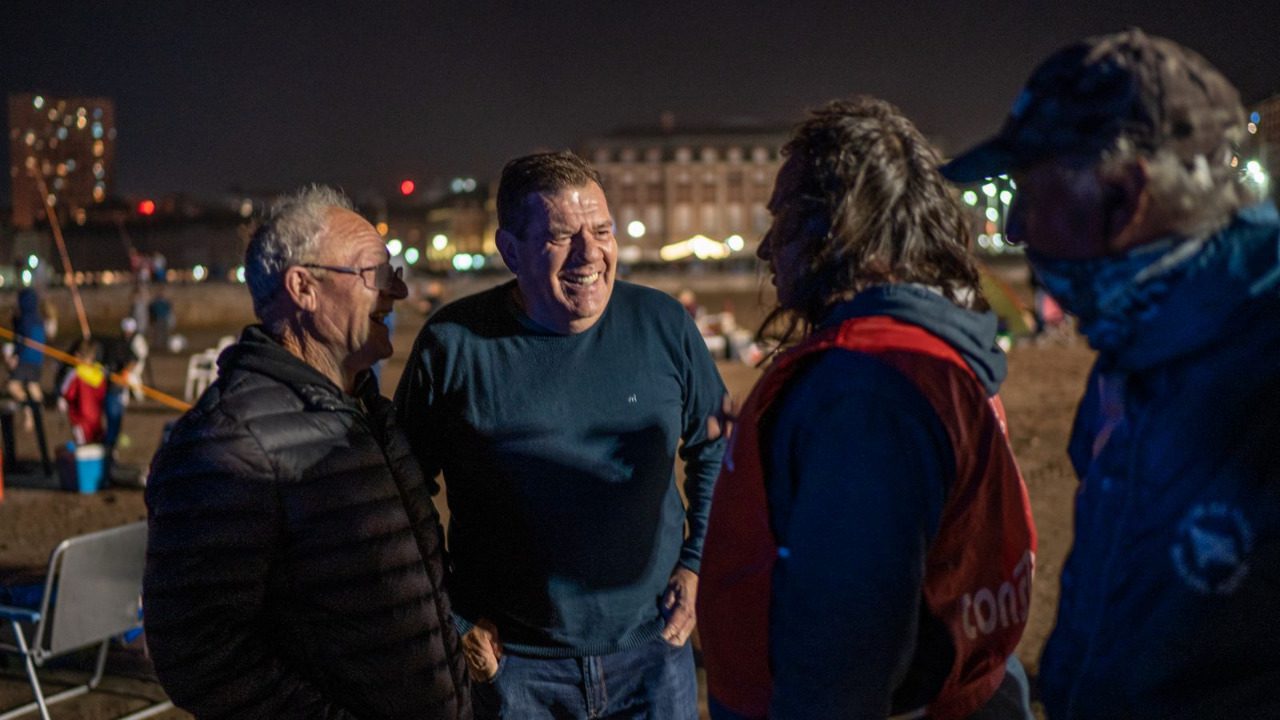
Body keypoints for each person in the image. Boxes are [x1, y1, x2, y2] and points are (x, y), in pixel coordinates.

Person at [940, 29, 1280, 718]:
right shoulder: (1126, 364)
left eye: (1030, 194)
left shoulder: (1260, 375)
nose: (1012, 229)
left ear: (1126, 196)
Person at [698, 97, 1037, 719]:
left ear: (841, 227)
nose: (767, 249)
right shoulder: (930, 352)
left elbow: (844, 661)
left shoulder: (865, 391)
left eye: (785, 219)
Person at [395, 151, 726, 719]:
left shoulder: (664, 325)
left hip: (653, 656)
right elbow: (398, 495)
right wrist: (452, 616)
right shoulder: (453, 345)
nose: (590, 253)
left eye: (602, 230)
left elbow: (716, 447)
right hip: (516, 669)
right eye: (561, 236)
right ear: (510, 251)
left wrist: (697, 563)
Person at [143, 186, 470, 719]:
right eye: (375, 274)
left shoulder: (367, 411)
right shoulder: (229, 440)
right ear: (304, 288)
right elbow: (198, 653)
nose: (399, 291)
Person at [7, 288, 47, 431]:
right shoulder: (39, 319)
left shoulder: (26, 319)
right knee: (32, 385)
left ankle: (30, 410)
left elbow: (21, 339)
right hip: (37, 359)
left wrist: (16, 355)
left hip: (26, 358)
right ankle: (34, 415)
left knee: (13, 386)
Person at [58, 339, 107, 445]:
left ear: (78, 355)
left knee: (83, 447)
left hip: (79, 418)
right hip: (96, 418)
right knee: (98, 444)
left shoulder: (75, 374)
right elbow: (103, 394)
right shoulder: (100, 373)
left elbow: (66, 393)